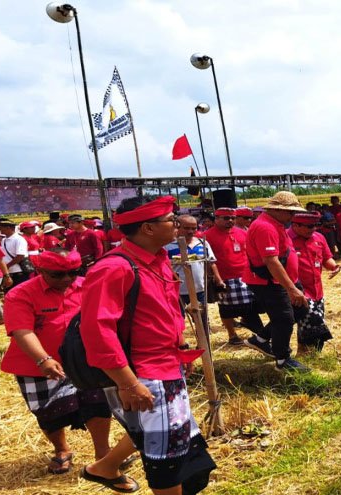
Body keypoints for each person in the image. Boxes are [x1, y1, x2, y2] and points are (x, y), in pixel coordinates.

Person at [81, 196, 216, 495]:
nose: (178, 224)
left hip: (167, 365)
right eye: (171, 219)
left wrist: (180, 347)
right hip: (144, 373)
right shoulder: (114, 268)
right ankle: (106, 467)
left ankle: (104, 467)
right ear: (148, 228)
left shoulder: (158, 261)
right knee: (164, 456)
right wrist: (127, 383)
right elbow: (97, 330)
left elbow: (166, 311)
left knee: (174, 440)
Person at [0, 249, 137, 484]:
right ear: (39, 271)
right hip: (37, 365)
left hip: (85, 361)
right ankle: (61, 449)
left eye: (73, 273)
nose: (66, 279)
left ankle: (102, 453)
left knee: (97, 404)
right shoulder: (20, 294)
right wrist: (43, 359)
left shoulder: (89, 286)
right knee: (48, 411)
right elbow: (23, 331)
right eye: (58, 274)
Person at [242, 191, 311, 371]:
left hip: (280, 280)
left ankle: (261, 339)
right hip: (269, 282)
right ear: (276, 210)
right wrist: (291, 288)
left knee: (300, 309)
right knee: (284, 319)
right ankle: (282, 359)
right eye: (290, 212)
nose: (293, 216)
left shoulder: (275, 224)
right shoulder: (265, 227)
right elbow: (271, 261)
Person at [203, 208, 260, 346]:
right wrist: (215, 279)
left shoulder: (242, 232)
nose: (230, 221)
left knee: (250, 306)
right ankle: (232, 335)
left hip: (245, 275)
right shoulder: (206, 236)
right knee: (226, 309)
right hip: (223, 278)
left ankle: (256, 331)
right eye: (226, 218)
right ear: (216, 219)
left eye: (232, 218)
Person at [288, 212, 340, 353]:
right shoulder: (285, 239)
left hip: (317, 289)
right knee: (314, 321)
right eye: (309, 226)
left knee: (305, 323)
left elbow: (326, 258)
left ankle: (304, 351)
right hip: (298, 289)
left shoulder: (319, 237)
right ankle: (312, 352)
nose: (313, 229)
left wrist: (334, 267)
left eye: (316, 225)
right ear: (295, 225)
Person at [165, 214, 223, 333]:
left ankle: (203, 342)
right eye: (186, 228)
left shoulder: (202, 243)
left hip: (199, 288)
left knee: (201, 318)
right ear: (177, 226)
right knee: (177, 318)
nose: (190, 231)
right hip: (177, 290)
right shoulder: (167, 246)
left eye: (194, 228)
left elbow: (211, 262)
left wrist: (218, 280)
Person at [0, 219, 31, 288]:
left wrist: (7, 266)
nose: (0, 230)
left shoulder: (19, 239)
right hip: (9, 272)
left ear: (8, 228)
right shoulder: (4, 240)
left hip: (19, 271)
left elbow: (20, 256)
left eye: (1, 228)